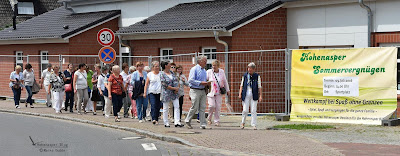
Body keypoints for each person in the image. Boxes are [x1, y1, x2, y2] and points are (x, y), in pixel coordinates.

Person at [185, 56, 210, 129]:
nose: (206, 62)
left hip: (202, 90)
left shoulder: (204, 70)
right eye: (205, 61)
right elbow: (191, 80)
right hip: (195, 90)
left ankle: (203, 123)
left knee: (202, 107)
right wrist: (200, 83)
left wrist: (207, 83)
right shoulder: (194, 69)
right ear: (200, 61)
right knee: (194, 106)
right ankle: (187, 120)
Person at [238, 62, 262, 130]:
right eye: (248, 68)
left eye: (250, 68)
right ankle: (242, 122)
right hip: (246, 94)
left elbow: (259, 87)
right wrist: (240, 94)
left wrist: (260, 96)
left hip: (254, 94)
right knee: (245, 110)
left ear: (254, 69)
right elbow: (241, 85)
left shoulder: (257, 76)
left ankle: (253, 124)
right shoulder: (245, 76)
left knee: (253, 110)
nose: (249, 70)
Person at [206, 60, 230, 126]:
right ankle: (209, 118)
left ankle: (216, 120)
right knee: (211, 106)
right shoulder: (209, 72)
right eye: (213, 65)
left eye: (215, 65)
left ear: (218, 66)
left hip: (219, 92)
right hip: (211, 92)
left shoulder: (221, 72)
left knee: (218, 107)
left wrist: (227, 90)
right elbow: (205, 80)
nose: (214, 67)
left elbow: (225, 81)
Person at [160, 61, 183, 127]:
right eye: (169, 64)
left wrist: (177, 88)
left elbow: (176, 80)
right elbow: (164, 85)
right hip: (166, 93)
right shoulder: (162, 74)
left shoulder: (172, 73)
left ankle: (177, 122)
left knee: (176, 106)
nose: (170, 65)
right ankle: (166, 122)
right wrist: (174, 88)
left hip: (174, 93)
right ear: (165, 66)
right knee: (166, 108)